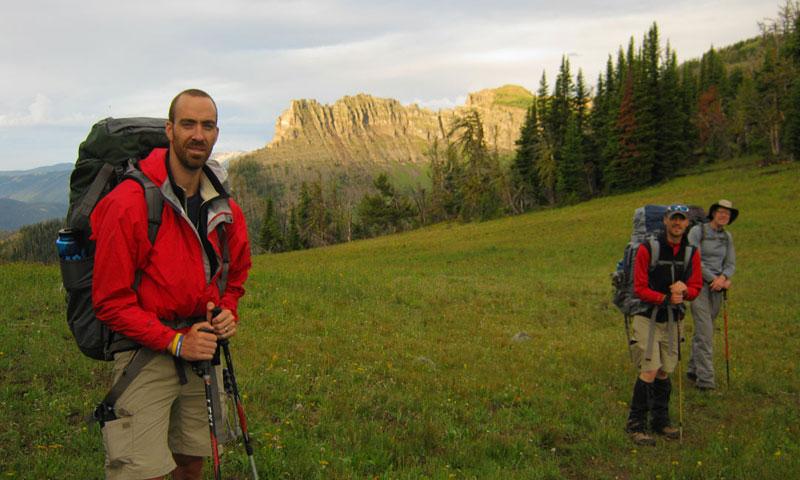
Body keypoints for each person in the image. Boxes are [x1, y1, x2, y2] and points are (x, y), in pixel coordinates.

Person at [91, 89, 251, 479]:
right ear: (169, 130)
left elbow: (235, 273)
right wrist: (175, 341)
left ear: (216, 133)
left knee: (191, 456)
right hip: (145, 352)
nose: (198, 134)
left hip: (203, 348)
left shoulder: (225, 207)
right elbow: (110, 301)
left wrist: (228, 310)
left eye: (207, 125)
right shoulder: (129, 202)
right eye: (188, 124)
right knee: (141, 469)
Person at [625, 204, 703, 446]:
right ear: (666, 221)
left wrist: (686, 292)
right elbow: (639, 288)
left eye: (682, 220)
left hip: (673, 319)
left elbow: (696, 286)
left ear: (687, 224)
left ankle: (660, 421)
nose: (678, 224)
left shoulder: (692, 253)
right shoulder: (649, 249)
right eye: (673, 219)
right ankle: (636, 424)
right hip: (647, 316)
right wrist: (664, 298)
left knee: (663, 370)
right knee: (649, 369)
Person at [687, 199, 738, 390]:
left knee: (703, 331)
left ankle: (693, 369)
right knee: (705, 332)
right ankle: (706, 381)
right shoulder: (697, 231)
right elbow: (694, 259)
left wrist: (724, 277)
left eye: (728, 213)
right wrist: (713, 279)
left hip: (718, 289)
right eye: (721, 212)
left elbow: (730, 263)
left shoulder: (727, 237)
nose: (724, 215)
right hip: (697, 286)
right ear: (713, 213)